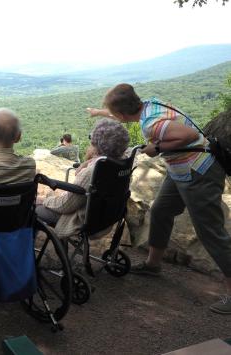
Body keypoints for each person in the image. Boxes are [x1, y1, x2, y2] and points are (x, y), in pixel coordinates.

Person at [87, 83, 231, 315]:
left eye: (114, 114)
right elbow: (122, 112)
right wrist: (98, 112)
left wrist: (158, 147)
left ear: (122, 115)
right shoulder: (150, 105)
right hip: (181, 170)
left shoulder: (151, 124)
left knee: (210, 231)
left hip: (198, 172)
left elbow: (191, 135)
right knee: (161, 210)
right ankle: (153, 265)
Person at [35, 119, 129, 238]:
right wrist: (89, 161)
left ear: (97, 143)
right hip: (107, 219)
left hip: (82, 221)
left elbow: (66, 205)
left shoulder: (92, 172)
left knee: (33, 207)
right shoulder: (123, 161)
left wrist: (45, 200)